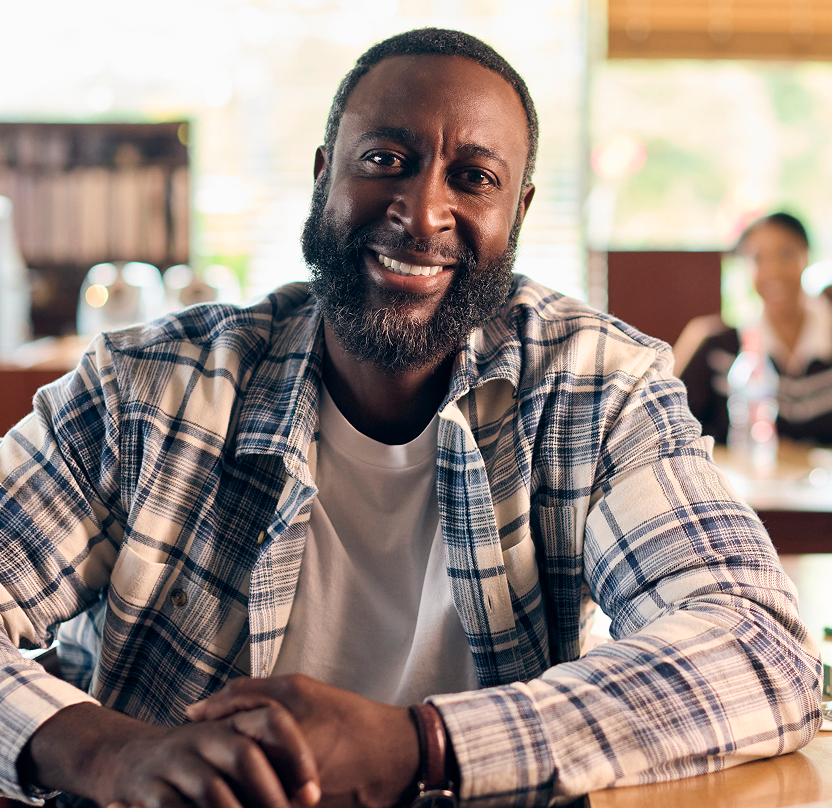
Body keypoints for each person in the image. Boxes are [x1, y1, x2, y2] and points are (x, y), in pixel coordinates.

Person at [0, 29, 822, 808]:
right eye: (385, 159)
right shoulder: (146, 393)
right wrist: (110, 751)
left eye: (474, 177)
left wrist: (419, 747)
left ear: (520, 214)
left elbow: (758, 644)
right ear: (324, 175)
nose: (424, 210)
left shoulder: (592, 386)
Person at [679, 211, 832, 443]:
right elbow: (673, 431)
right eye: (758, 259)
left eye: (786, 254)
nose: (773, 271)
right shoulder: (722, 350)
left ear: (807, 255)